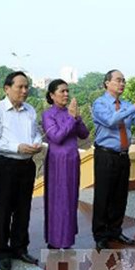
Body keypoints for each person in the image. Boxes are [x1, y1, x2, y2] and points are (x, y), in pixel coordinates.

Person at [0, 71, 42, 270]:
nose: (24, 91)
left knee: (23, 209)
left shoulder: (30, 110)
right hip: (6, 166)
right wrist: (17, 147)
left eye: (27, 87)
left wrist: (36, 144)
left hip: (27, 166)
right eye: (20, 87)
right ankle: (2, 252)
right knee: (4, 210)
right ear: (7, 88)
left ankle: (20, 248)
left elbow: (35, 133)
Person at [92, 69, 135, 250]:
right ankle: (101, 235)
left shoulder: (125, 104)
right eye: (118, 80)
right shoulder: (100, 103)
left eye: (124, 81)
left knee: (120, 196)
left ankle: (115, 230)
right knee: (104, 196)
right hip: (106, 154)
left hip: (123, 155)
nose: (122, 84)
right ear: (107, 83)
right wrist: (134, 106)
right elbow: (110, 120)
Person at [42, 79, 89, 249]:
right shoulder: (48, 114)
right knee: (57, 199)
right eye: (62, 91)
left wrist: (77, 118)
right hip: (57, 161)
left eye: (67, 91)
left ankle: (67, 238)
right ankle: (55, 239)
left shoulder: (71, 113)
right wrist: (71, 118)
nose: (66, 94)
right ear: (52, 95)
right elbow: (56, 137)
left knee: (70, 198)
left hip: (72, 160)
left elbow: (84, 134)